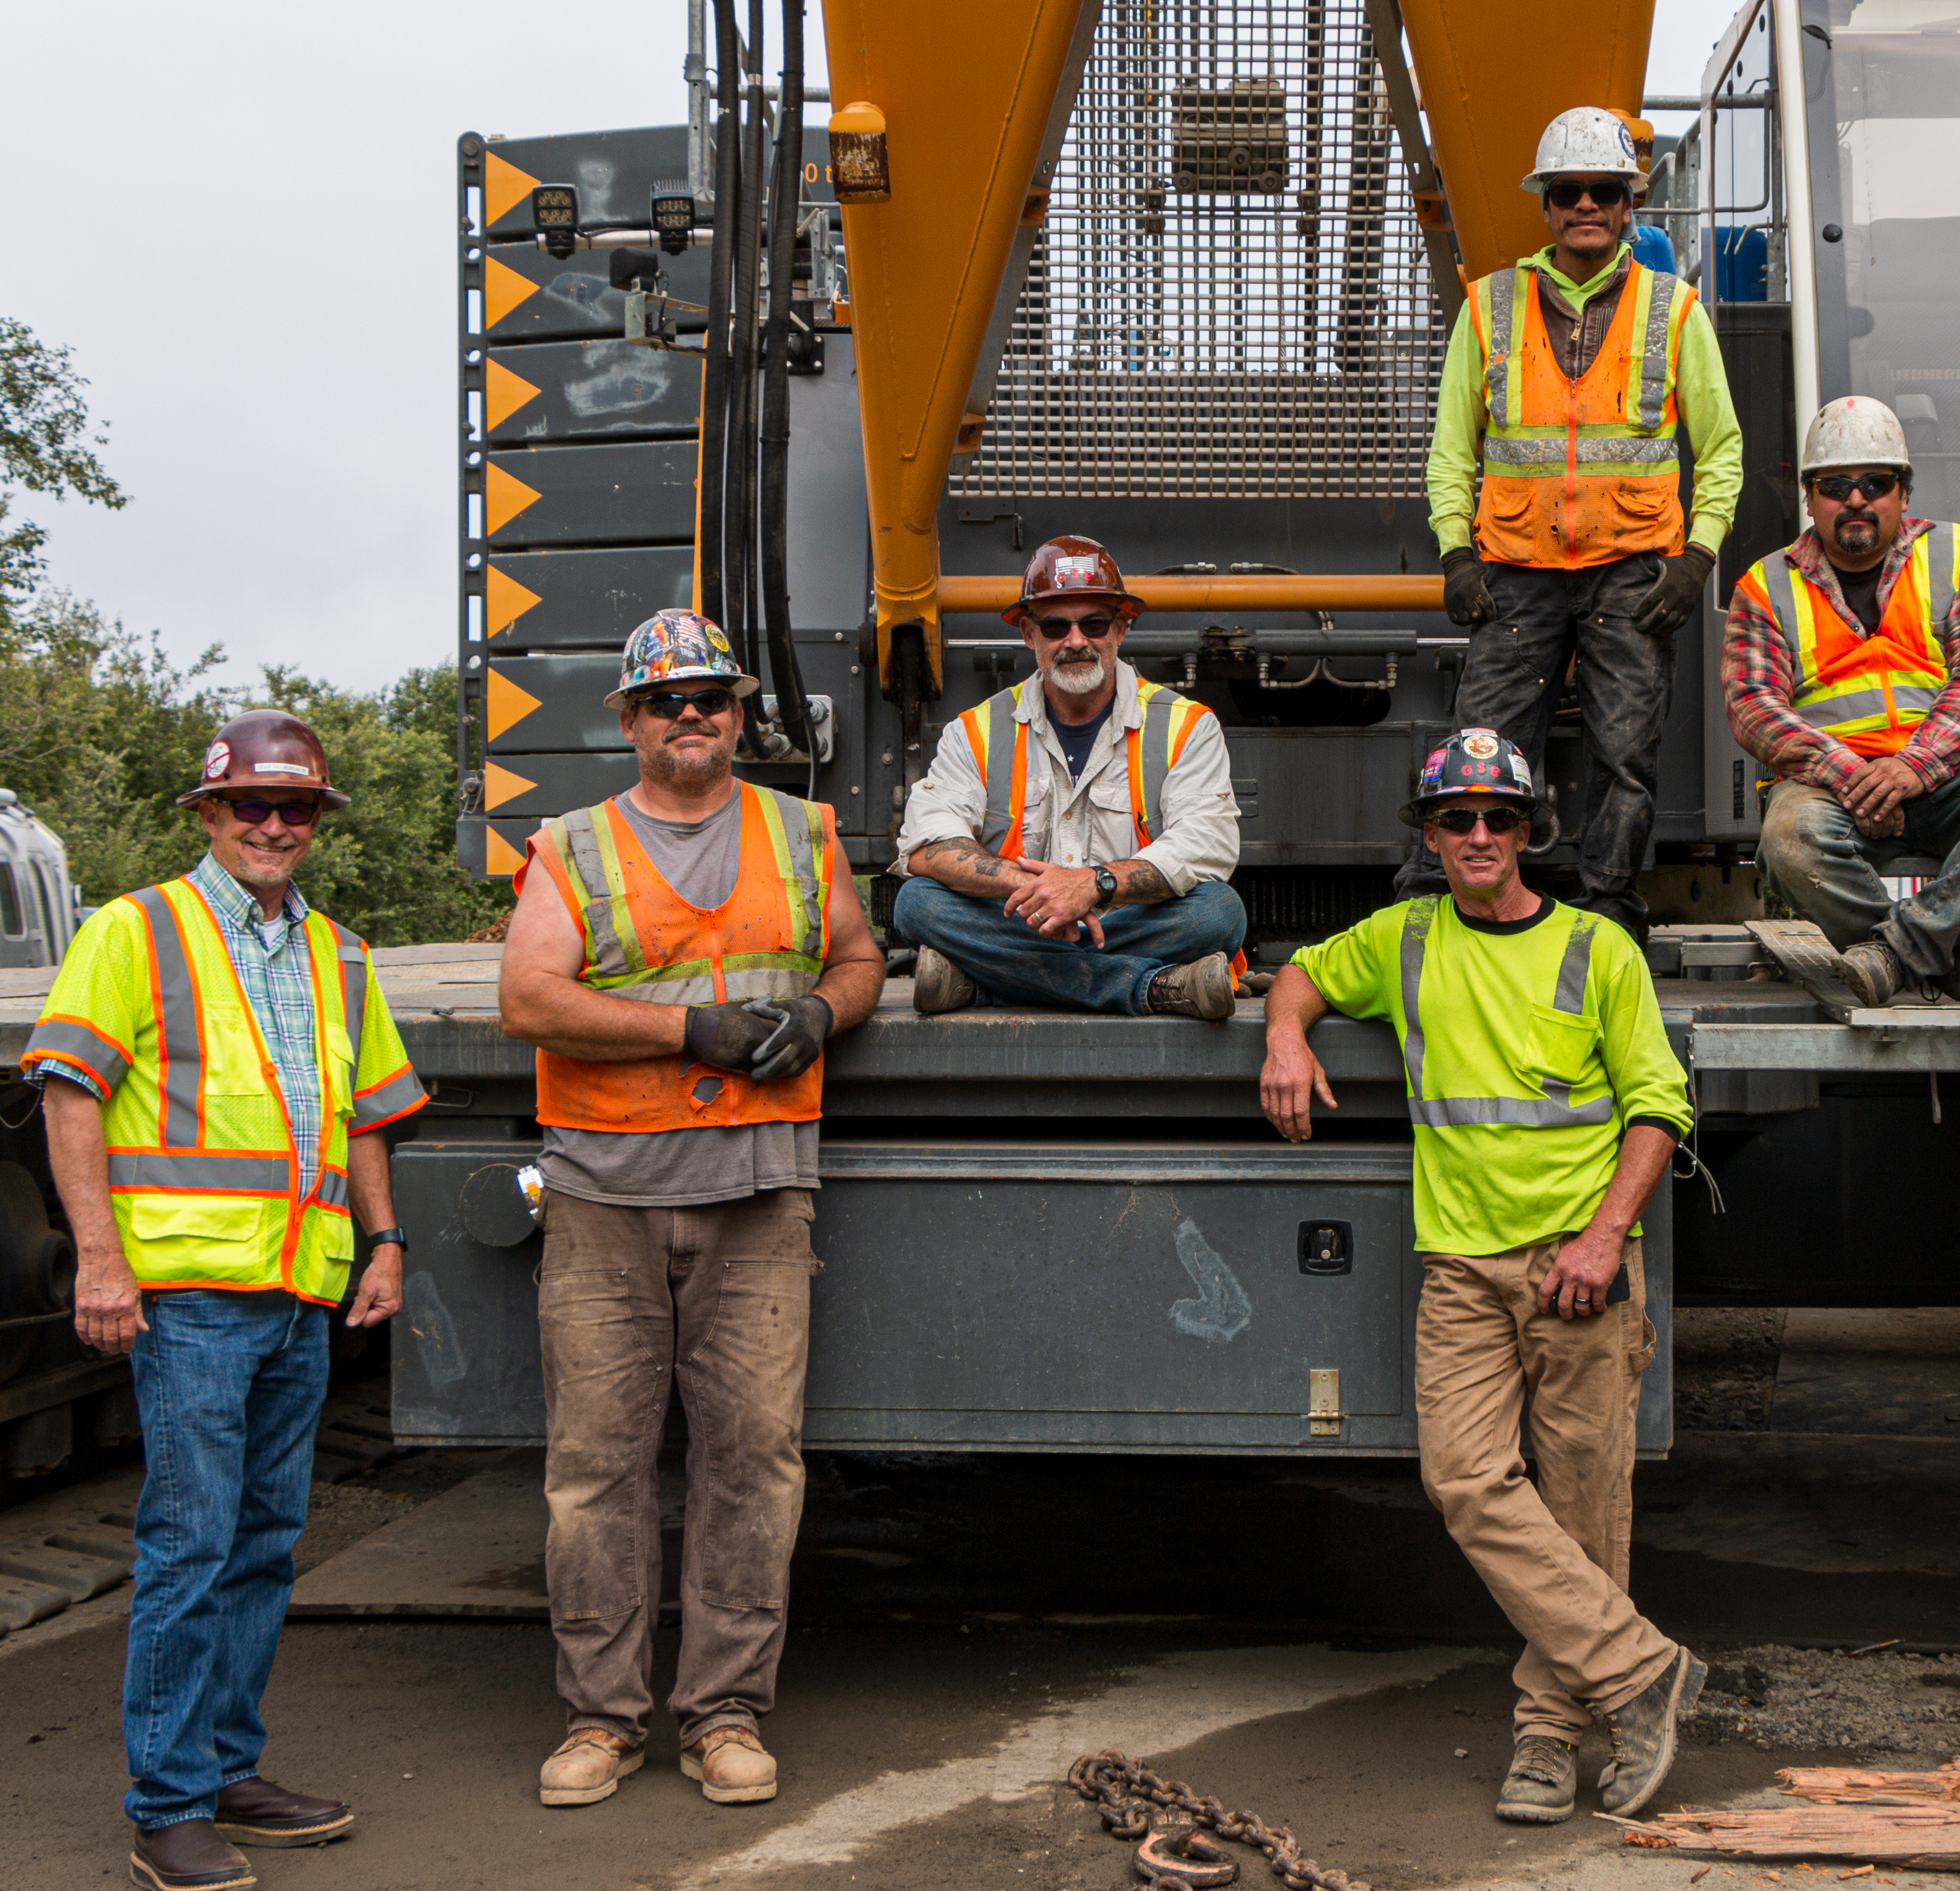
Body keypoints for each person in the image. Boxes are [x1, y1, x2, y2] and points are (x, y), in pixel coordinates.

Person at [1263, 727, 1704, 1824]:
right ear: (1428, 834)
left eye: (1496, 818)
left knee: (1584, 1511)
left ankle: (1549, 1741)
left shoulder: (1599, 950)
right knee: (1466, 1481)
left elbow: (1659, 1107)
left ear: (1526, 833)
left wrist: (1604, 1241)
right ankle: (1644, 1671)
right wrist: (1284, 1037)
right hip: (1463, 1267)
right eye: (1454, 818)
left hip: (1579, 1267)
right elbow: (1303, 976)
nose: (1476, 835)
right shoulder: (1403, 939)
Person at [23, 711, 426, 1891]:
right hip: (190, 1290)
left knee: (261, 1542)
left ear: (316, 823)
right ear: (208, 812)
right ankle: (169, 1800)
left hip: (299, 1287)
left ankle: (226, 1767)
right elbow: (68, 1093)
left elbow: (359, 1114)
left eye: (294, 807)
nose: (272, 823)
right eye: (250, 803)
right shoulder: (135, 929)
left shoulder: (339, 956)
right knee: (190, 1542)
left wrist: (386, 1240)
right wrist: (101, 1259)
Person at [498, 609, 884, 1812]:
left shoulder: (800, 830)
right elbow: (529, 998)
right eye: (664, 701)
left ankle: (723, 1714)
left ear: (738, 714)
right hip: (604, 1194)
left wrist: (826, 1012)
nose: (689, 717)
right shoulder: (575, 844)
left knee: (751, 1463)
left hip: (759, 1195)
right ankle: (600, 1720)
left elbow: (858, 958)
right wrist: (688, 1029)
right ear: (628, 720)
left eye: (708, 698)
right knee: (596, 1469)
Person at [1402, 104, 1746, 944]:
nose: (1587, 204)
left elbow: (1724, 447)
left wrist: (1697, 559)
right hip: (1515, 570)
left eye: (1605, 190)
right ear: (1547, 205)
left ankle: (1608, 913)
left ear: (1630, 204)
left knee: (1624, 751)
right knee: (1480, 746)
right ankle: (1442, 913)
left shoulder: (1676, 309)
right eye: (1570, 191)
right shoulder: (1489, 307)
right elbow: (1453, 449)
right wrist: (1456, 552)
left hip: (1634, 569)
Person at [1724, 394, 1960, 1009]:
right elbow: (1751, 704)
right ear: (1809, 498)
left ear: (1902, 493)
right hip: (1836, 788)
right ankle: (1946, 961)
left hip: (1952, 776)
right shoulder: (1763, 585)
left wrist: (1913, 766)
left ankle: (1898, 954)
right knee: (1788, 838)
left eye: (1874, 482)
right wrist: (1848, 773)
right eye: (1835, 485)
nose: (1855, 498)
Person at [894, 535, 1245, 1019]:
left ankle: (988, 986)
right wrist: (1045, 893)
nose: (1076, 641)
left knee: (1218, 912)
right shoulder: (975, 731)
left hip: (1119, 922)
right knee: (917, 902)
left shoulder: (1188, 726)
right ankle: (1149, 988)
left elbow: (1207, 844)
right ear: (1028, 634)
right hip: (1026, 922)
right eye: (1056, 625)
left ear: (1121, 629)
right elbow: (928, 845)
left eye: (1094, 623)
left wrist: (1091, 885)